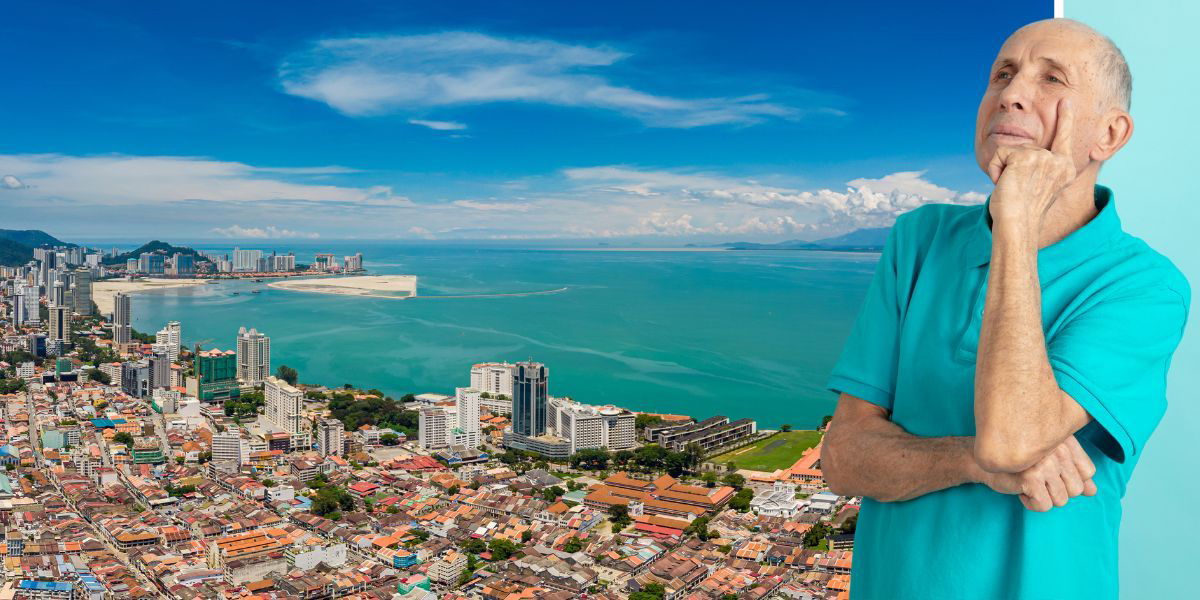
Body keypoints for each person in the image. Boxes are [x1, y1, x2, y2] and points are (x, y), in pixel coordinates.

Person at [821, 17, 1191, 600]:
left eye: (1052, 79)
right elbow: (842, 459)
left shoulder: (1145, 286)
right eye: (1002, 74)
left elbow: (1012, 441)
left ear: (1109, 134)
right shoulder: (919, 239)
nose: (1011, 94)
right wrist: (971, 461)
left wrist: (1016, 219)